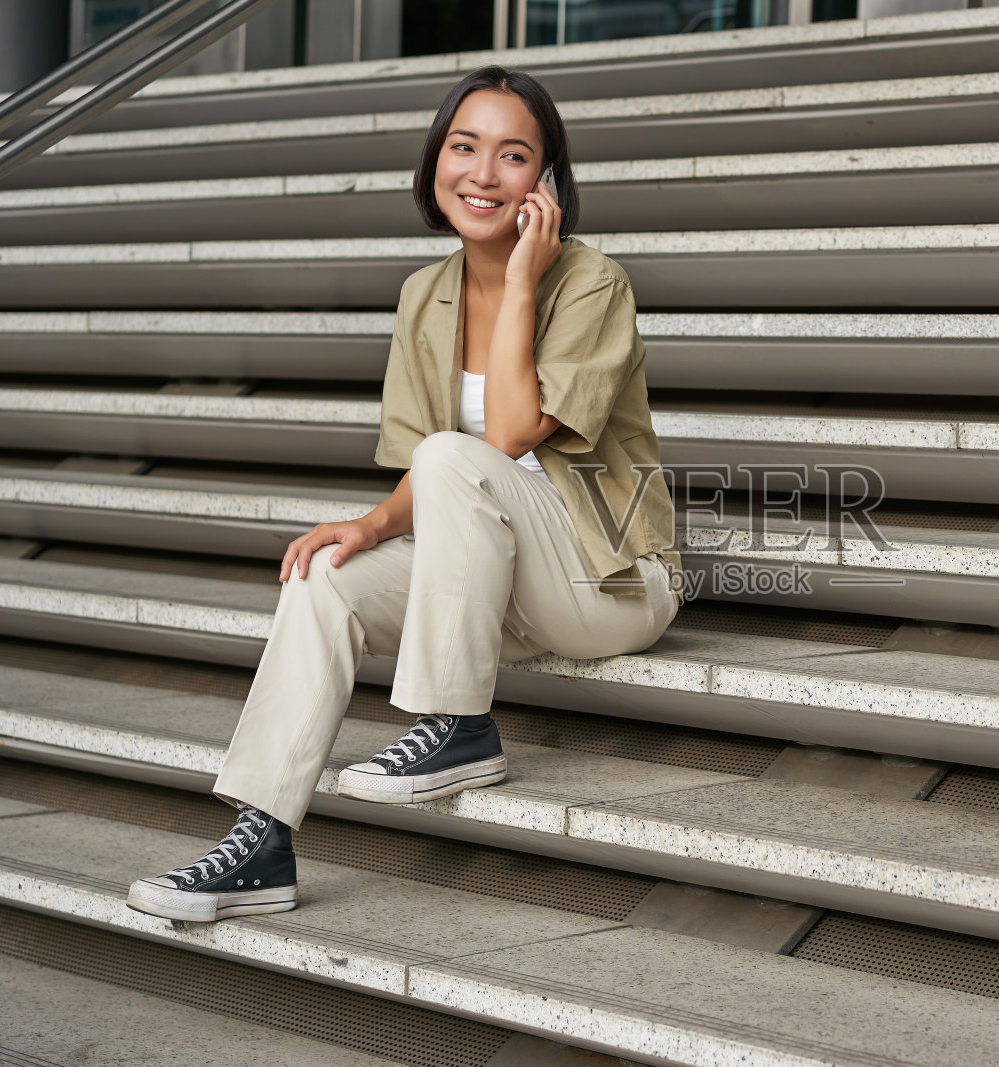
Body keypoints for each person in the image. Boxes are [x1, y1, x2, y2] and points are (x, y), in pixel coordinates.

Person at [127, 65, 684, 923]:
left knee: (457, 453)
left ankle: (457, 723)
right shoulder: (425, 294)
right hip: (497, 584)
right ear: (435, 163)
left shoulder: (592, 283)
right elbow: (436, 472)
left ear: (547, 183)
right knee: (324, 579)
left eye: (512, 156)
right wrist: (369, 524)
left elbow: (499, 440)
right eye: (464, 148)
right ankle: (262, 841)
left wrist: (525, 282)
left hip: (607, 581)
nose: (482, 173)